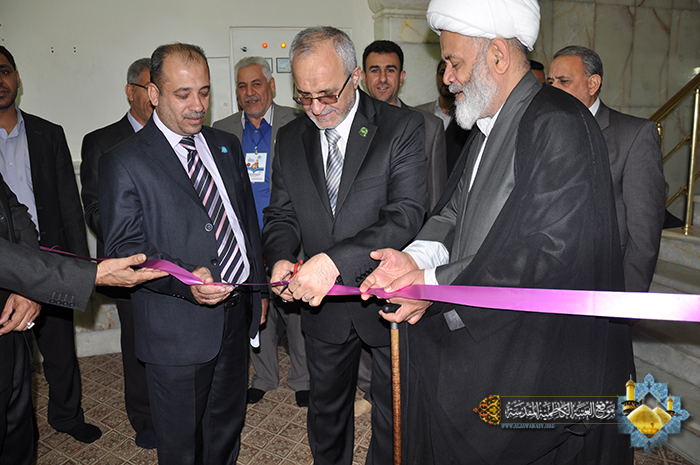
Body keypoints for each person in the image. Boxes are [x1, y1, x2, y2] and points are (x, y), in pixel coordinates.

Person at [360, 0, 635, 463]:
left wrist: (432, 285)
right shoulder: (489, 120)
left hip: (534, 362)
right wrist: (416, 259)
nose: (447, 77)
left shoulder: (558, 122)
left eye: (454, 62)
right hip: (485, 342)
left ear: (498, 56)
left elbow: (547, 254)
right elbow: (453, 212)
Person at [263, 27, 428, 465]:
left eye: (327, 94)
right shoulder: (291, 138)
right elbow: (281, 215)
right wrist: (280, 258)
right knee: (326, 412)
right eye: (304, 96)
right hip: (324, 307)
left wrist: (332, 263)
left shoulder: (401, 127)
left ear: (354, 76)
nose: (316, 108)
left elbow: (405, 214)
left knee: (395, 414)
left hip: (389, 296)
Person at [99, 43, 266, 465]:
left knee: (226, 429)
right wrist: (186, 281)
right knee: (181, 446)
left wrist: (258, 290)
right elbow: (124, 250)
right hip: (176, 329)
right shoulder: (124, 160)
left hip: (235, 315)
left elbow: (246, 224)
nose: (198, 106)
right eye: (183, 94)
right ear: (154, 94)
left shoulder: (226, 144)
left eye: (204, 92)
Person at [0, 172, 166, 465]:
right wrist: (93, 275)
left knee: (16, 422)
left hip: (14, 308)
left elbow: (14, 214)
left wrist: (28, 288)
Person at [0, 45, 102, 444]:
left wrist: (82, 267)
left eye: (4, 71)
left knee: (60, 349)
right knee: (12, 360)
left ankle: (67, 415)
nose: (0, 81)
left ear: (17, 77)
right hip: (4, 268)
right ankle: (16, 427)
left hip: (51, 259)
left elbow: (70, 206)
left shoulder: (48, 133)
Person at [212, 57, 309, 407]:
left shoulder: (297, 122)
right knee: (256, 305)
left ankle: (302, 378)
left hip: (290, 234)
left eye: (256, 84)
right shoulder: (221, 130)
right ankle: (265, 376)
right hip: (245, 239)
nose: (250, 92)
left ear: (271, 86)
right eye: (242, 86)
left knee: (295, 309)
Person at [80, 57, 157, 449]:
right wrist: (136, 240)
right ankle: (145, 417)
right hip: (130, 263)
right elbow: (94, 207)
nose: (156, 96)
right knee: (138, 342)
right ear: (130, 91)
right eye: (148, 87)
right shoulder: (101, 141)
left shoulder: (177, 134)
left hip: (177, 263)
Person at [548, 45, 665, 292]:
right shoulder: (545, 132)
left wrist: (628, 298)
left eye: (563, 81)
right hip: (550, 279)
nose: (553, 90)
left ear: (592, 84)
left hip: (604, 281)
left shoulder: (634, 135)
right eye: (551, 82)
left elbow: (644, 232)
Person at [362, 40, 447, 208]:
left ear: (401, 77)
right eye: (375, 70)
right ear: (363, 78)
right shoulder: (350, 125)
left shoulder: (430, 127)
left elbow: (437, 198)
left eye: (390, 70)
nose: (383, 79)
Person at [416, 59, 470, 173]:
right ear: (437, 77)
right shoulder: (418, 114)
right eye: (442, 73)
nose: (447, 79)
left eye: (453, 73)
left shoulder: (468, 119)